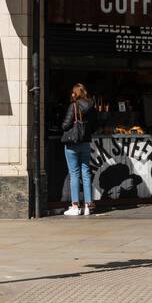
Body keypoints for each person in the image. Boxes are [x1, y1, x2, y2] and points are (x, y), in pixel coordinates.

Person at [60, 83, 96, 216]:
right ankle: (88, 205)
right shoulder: (91, 106)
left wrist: (63, 125)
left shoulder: (73, 106)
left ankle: (75, 206)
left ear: (75, 93)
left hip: (72, 144)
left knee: (74, 174)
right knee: (86, 172)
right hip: (85, 143)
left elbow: (66, 125)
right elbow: (95, 125)